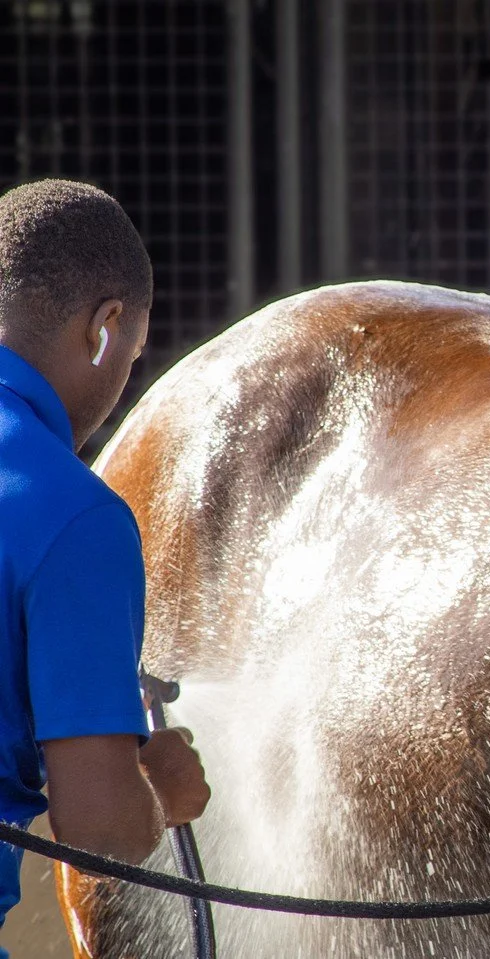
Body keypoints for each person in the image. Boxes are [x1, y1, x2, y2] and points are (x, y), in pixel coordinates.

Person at [0, 179, 210, 945]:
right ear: (105, 329)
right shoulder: (76, 515)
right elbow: (103, 831)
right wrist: (159, 784)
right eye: (132, 352)